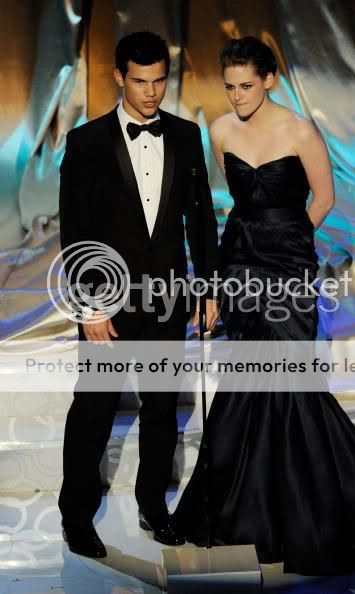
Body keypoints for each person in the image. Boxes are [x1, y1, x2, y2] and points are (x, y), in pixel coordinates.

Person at [174, 36, 355, 576]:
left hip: (288, 266)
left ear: (270, 79)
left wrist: (292, 246)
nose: (236, 97)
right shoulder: (221, 131)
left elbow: (322, 198)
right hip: (239, 266)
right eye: (229, 87)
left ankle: (314, 517)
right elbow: (228, 202)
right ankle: (250, 512)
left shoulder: (300, 130)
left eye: (246, 86)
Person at [58, 31, 219, 558]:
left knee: (159, 410)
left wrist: (209, 286)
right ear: (118, 77)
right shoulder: (85, 143)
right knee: (93, 410)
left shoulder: (187, 135)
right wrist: (89, 305)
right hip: (108, 302)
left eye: (159, 81)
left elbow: (200, 220)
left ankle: (155, 506)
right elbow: (75, 231)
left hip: (168, 298)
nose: (151, 92)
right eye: (140, 81)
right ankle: (76, 518)